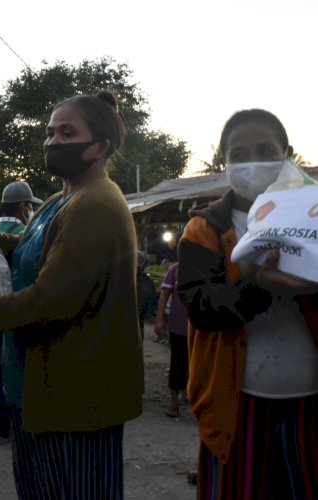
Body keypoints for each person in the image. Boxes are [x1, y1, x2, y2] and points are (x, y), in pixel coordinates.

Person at [0, 92, 143, 499]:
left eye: (67, 133)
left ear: (100, 146)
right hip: (36, 387)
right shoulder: (60, 200)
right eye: (49, 132)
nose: (52, 142)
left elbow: (47, 302)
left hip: (76, 394)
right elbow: (24, 252)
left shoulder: (96, 204)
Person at [177, 109, 318, 499]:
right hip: (236, 407)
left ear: (287, 153)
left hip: (309, 399)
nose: (252, 162)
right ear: (223, 161)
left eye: (264, 150)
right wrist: (257, 284)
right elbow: (202, 307)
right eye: (239, 154)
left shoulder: (314, 215)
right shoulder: (204, 228)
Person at [0, 181, 43, 445]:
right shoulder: (28, 233)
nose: (31, 210)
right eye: (31, 206)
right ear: (23, 207)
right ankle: (21, 426)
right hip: (20, 309)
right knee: (20, 368)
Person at [153, 262, 189, 418]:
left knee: (196, 365)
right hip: (178, 327)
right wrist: (159, 319)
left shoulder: (207, 266)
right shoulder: (175, 269)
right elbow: (164, 293)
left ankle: (189, 394)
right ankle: (174, 402)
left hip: (201, 328)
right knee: (177, 364)